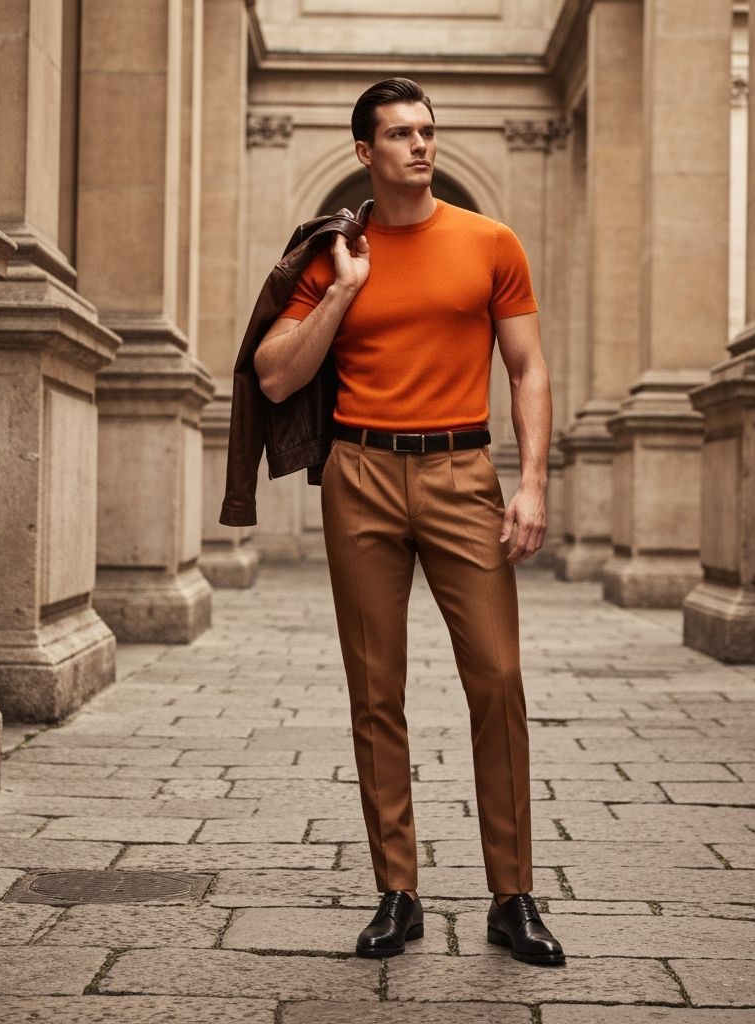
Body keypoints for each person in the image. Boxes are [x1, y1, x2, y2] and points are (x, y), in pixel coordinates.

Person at [253, 78, 564, 967]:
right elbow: (276, 375)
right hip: (358, 473)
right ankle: (399, 891)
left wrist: (530, 483)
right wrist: (345, 292)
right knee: (374, 686)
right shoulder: (332, 254)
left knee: (498, 679)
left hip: (463, 471)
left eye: (427, 131)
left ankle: (513, 896)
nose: (420, 146)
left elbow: (527, 368)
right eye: (399, 134)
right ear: (365, 152)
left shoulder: (490, 241)